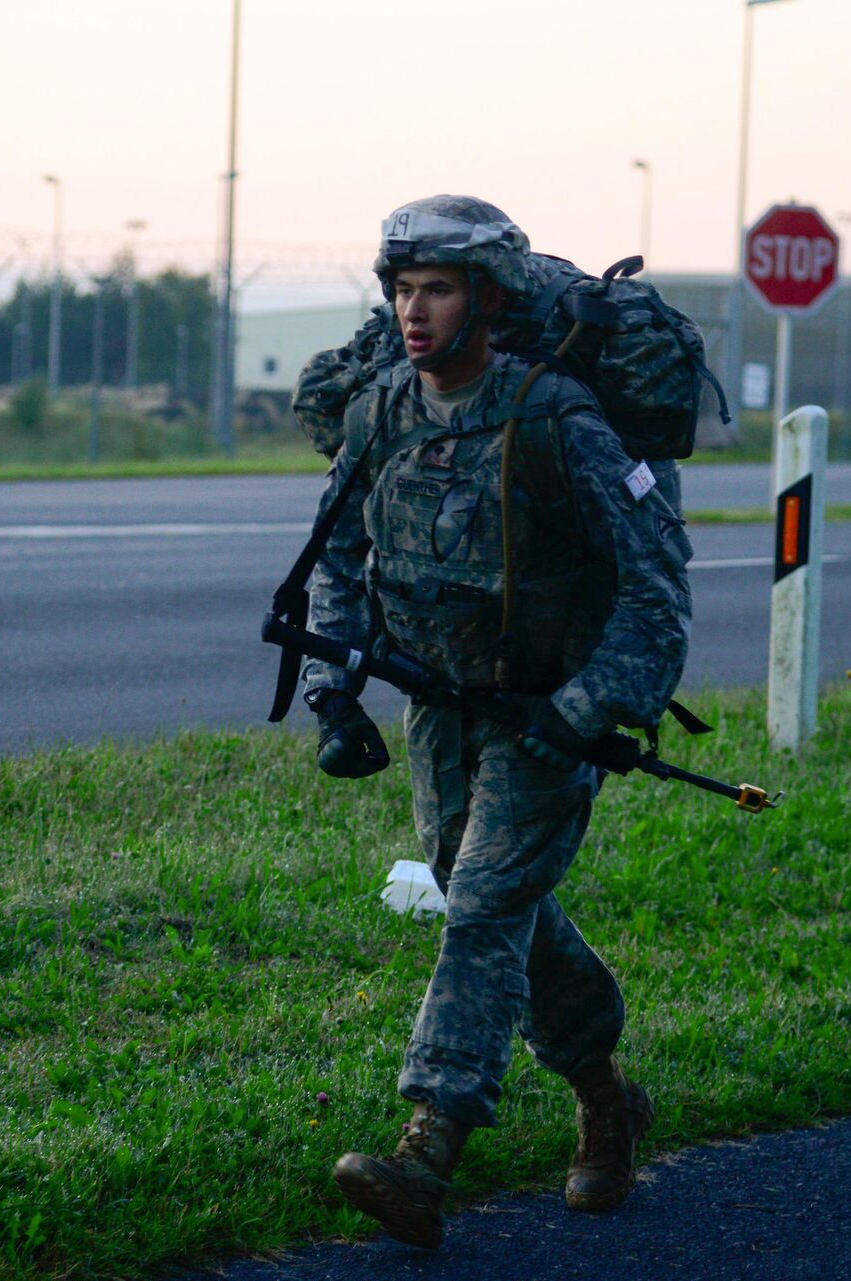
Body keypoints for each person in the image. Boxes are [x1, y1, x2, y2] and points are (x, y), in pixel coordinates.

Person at [297, 195, 694, 1249]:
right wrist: (336, 687)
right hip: (442, 704)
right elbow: (332, 552)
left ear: (487, 298)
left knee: (477, 908)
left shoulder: (556, 416)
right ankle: (608, 1097)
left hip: (548, 710)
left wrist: (585, 710)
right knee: (496, 899)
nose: (413, 311)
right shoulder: (383, 407)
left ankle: (426, 1149)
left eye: (435, 289)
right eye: (400, 290)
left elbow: (657, 589)